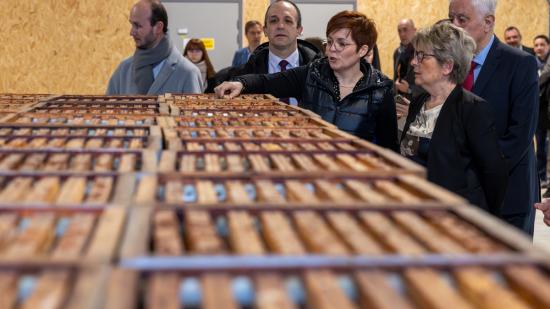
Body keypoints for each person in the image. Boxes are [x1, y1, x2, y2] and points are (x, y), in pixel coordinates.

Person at [214, 11, 398, 151]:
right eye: (330, 41)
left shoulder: (381, 89)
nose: (332, 49)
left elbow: (389, 147)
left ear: (362, 50)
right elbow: (267, 81)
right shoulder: (313, 74)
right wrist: (241, 83)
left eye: (342, 44)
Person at [449, 0, 539, 235]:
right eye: (451, 19)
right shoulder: (452, 65)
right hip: (462, 195)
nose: (454, 26)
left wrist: (471, 174)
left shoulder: (520, 64)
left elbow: (518, 137)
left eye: (462, 19)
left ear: (488, 22)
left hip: (506, 194)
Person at [400, 22, 508, 214]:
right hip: (414, 210)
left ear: (447, 66)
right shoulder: (419, 101)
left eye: (421, 56)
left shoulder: (472, 109)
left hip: (453, 217)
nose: (413, 62)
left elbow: (494, 174)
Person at [206, 0, 322, 102]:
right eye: (273, 21)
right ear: (265, 30)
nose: (280, 26)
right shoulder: (237, 76)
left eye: (288, 21)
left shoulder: (321, 74)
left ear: (299, 30)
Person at [106, 0, 201, 95]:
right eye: (132, 25)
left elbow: (193, 110)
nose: (131, 32)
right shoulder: (123, 70)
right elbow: (106, 108)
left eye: (138, 26)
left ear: (158, 28)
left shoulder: (187, 73)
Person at [534, 35, 550, 194]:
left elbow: (544, 77)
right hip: (539, 110)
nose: (539, 48)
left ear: (548, 46)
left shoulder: (548, 62)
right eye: (536, 45)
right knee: (540, 146)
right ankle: (541, 176)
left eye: (542, 45)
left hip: (547, 108)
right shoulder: (532, 61)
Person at [394, 19, 419, 100]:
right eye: (399, 31)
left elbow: (430, 81)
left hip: (417, 101)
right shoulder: (397, 52)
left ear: (414, 30)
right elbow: (396, 76)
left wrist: (409, 90)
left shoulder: (421, 52)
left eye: (405, 30)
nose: (402, 34)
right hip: (400, 100)